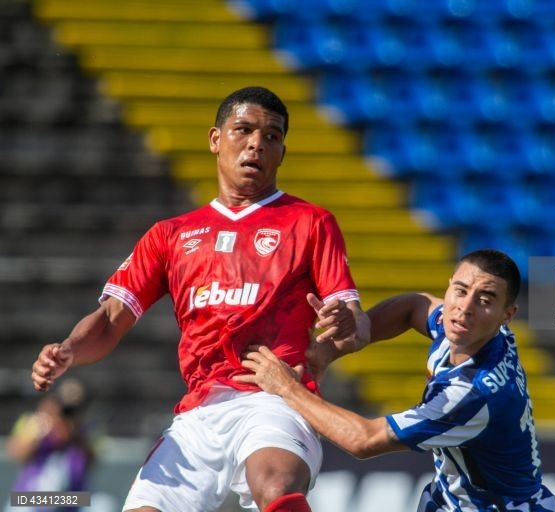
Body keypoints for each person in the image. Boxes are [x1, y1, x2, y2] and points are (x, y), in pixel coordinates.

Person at [29, 86, 369, 512]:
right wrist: (69, 351)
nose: (256, 144)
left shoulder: (311, 223)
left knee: (274, 484)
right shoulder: (170, 235)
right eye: (243, 130)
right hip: (199, 414)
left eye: (271, 136)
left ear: (282, 153)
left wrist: (347, 323)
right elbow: (112, 317)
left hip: (274, 398)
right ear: (215, 139)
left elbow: (356, 325)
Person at [236, 249, 555, 512]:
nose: (464, 308)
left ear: (507, 315)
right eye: (461, 291)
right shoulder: (473, 331)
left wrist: (287, 388)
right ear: (449, 286)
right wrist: (329, 352)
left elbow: (364, 440)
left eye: (485, 300)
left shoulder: (472, 393)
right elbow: (414, 305)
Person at [5, 378, 93, 512]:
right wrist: (40, 430)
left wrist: (74, 432)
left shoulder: (85, 429)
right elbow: (16, 453)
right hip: (29, 496)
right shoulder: (34, 422)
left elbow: (91, 460)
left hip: (71, 500)